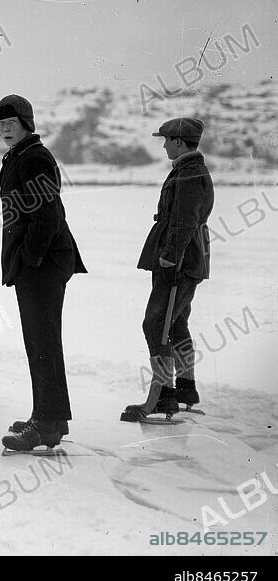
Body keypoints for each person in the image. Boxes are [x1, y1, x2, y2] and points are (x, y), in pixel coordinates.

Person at [0, 96, 86, 452]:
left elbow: (47, 217)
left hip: (42, 263)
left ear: (26, 122)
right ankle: (49, 419)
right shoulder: (19, 156)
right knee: (40, 342)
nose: (5, 127)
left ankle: (46, 422)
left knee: (43, 343)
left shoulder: (36, 157)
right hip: (36, 261)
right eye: (1, 123)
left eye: (11, 121)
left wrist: (29, 259)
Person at [122, 118, 214, 421]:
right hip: (186, 258)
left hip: (179, 260)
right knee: (175, 324)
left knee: (156, 323)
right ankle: (185, 389)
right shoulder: (187, 170)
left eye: (166, 140)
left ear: (178, 141)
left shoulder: (189, 173)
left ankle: (162, 396)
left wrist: (171, 257)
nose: (163, 146)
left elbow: (184, 221)